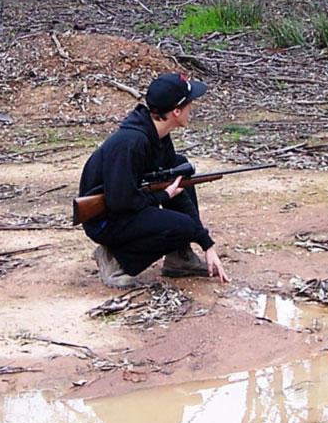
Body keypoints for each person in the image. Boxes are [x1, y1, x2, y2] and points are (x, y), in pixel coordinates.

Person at [79, 72, 229, 288]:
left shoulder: (159, 137)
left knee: (180, 168)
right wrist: (163, 195)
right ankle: (115, 258)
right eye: (190, 103)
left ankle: (180, 257)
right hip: (106, 220)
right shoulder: (131, 142)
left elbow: (177, 188)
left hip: (125, 209)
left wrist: (207, 245)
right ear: (176, 111)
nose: (192, 108)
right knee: (182, 225)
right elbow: (121, 202)